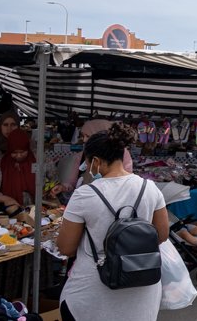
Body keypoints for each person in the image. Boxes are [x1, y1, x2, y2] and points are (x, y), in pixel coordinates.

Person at [57, 122, 169, 321]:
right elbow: (161, 235)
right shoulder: (149, 188)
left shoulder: (84, 194)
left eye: (88, 161)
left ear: (96, 161)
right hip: (142, 291)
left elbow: (66, 247)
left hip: (94, 293)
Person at [0, 128, 60, 215]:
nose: (18, 156)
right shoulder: (1, 164)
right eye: (14, 152)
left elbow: (54, 181)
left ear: (27, 147)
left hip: (39, 211)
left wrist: (53, 188)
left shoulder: (40, 159)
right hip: (11, 212)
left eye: (22, 152)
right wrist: (6, 199)